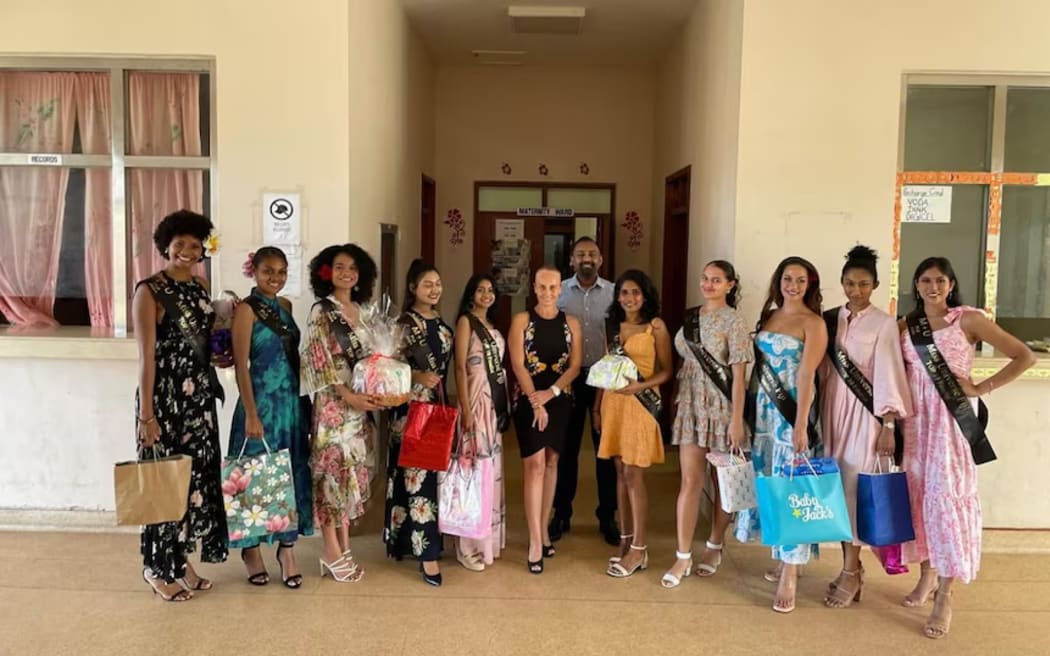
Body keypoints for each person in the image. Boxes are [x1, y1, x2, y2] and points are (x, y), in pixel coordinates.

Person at [898, 256, 1035, 639]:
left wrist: (981, 387)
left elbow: (1025, 356)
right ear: (916, 285)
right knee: (921, 498)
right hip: (917, 423)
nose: (932, 287)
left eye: (940, 280)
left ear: (951, 284)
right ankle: (926, 577)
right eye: (924, 280)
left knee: (947, 498)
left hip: (952, 422)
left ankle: (946, 592)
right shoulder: (907, 327)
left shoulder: (968, 321)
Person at [133, 209, 228, 602]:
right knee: (163, 483)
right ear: (165, 246)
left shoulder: (201, 287)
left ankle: (180, 560)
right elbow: (146, 357)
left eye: (194, 245)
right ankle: (156, 567)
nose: (187, 251)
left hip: (198, 400)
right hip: (165, 400)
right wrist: (147, 416)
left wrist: (222, 355)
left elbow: (206, 341)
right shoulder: (150, 291)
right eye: (179, 244)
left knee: (193, 483)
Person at [818, 245, 911, 608]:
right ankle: (849, 567)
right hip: (831, 412)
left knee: (856, 492)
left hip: (865, 416)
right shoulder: (830, 319)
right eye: (849, 283)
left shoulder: (884, 323)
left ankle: (851, 570)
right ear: (841, 283)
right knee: (836, 490)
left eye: (863, 284)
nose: (855, 290)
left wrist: (888, 423)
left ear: (874, 285)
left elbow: (889, 372)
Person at [735, 256, 827, 613]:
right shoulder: (770, 316)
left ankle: (791, 569)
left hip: (791, 416)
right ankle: (782, 554)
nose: (793, 285)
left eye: (801, 280)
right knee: (772, 486)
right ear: (779, 281)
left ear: (810, 285)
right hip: (762, 416)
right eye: (788, 278)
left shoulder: (814, 323)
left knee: (793, 489)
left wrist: (801, 424)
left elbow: (807, 377)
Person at [661, 261, 753, 588]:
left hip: (722, 408)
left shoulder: (735, 321)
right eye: (705, 278)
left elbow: (740, 376)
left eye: (717, 280)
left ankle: (715, 544)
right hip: (690, 404)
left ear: (730, 285)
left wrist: (737, 420)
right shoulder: (690, 317)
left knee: (722, 482)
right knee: (689, 480)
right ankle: (682, 555)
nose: (709, 284)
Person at [229, 247, 313, 589]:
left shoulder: (287, 307)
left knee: (289, 476)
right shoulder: (246, 311)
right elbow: (240, 365)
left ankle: (287, 550)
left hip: (289, 404)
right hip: (260, 404)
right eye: (268, 271)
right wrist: (251, 412)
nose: (275, 278)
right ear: (255, 272)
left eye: (281, 272)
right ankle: (251, 551)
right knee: (254, 477)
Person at [301, 244, 382, 583]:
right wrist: (349, 396)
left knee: (351, 475)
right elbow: (318, 364)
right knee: (332, 476)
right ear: (326, 272)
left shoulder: (363, 312)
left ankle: (345, 547)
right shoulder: (322, 312)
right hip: (334, 408)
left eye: (352, 267)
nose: (346, 272)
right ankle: (331, 550)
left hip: (360, 407)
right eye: (339, 267)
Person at [595, 270, 673, 578]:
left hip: (641, 405)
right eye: (624, 293)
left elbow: (666, 371)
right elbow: (605, 368)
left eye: (635, 293)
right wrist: (598, 407)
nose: (629, 298)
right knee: (619, 472)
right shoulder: (613, 326)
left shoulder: (656, 327)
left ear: (645, 295)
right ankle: (625, 540)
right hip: (614, 403)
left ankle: (640, 548)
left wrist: (641, 387)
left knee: (634, 473)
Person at [508, 266, 583, 573]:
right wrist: (535, 401)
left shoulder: (572, 323)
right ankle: (535, 541)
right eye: (542, 287)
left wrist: (551, 394)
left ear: (560, 289)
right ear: (534, 288)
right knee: (534, 465)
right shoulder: (521, 321)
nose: (548, 293)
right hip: (528, 399)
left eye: (553, 288)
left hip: (561, 399)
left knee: (552, 462)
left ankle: (543, 527)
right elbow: (517, 364)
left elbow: (575, 366)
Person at [385, 259, 454, 586]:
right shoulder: (402, 324)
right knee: (416, 479)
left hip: (437, 409)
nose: (434, 289)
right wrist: (415, 374)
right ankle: (426, 554)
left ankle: (412, 540)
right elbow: (384, 366)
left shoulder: (442, 325)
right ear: (413, 287)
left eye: (438, 284)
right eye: (428, 284)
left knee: (430, 477)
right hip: (411, 409)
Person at [551, 236, 618, 545]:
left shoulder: (616, 293)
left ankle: (607, 516)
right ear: (572, 260)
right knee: (566, 449)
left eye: (592, 253)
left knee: (606, 450)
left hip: (605, 380)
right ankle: (561, 513)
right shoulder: (559, 293)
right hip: (570, 377)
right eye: (580, 254)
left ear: (601, 259)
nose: (586, 258)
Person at [452, 274, 509, 570]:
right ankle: (467, 546)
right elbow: (460, 368)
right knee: (472, 474)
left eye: (490, 290)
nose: (486, 294)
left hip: (493, 405)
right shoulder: (466, 322)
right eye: (480, 290)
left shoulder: (491, 326)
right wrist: (466, 410)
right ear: (471, 294)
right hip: (474, 404)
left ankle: (486, 540)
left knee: (489, 474)